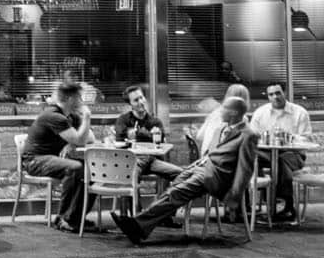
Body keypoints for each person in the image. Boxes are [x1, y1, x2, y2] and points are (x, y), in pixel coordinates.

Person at [113, 96, 260, 244]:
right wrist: (197, 165)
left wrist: (234, 196)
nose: (220, 111)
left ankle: (137, 225)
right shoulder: (221, 127)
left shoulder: (248, 135)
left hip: (216, 177)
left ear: (234, 112)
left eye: (224, 108)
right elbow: (210, 153)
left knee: (177, 192)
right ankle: (144, 225)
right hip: (201, 167)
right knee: (173, 187)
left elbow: (245, 168)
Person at [21, 78, 95, 233]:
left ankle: (75, 218)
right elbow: (82, 138)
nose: (82, 101)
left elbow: (90, 137)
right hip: (34, 160)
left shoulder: (70, 116)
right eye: (79, 97)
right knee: (75, 168)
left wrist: (72, 142)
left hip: (52, 159)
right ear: (70, 99)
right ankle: (63, 218)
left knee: (90, 171)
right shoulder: (54, 116)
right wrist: (87, 117)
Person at [249, 82, 316, 224]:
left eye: (278, 93)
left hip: (294, 154)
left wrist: (288, 137)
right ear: (267, 96)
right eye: (271, 94)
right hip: (266, 153)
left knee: (281, 160)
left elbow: (306, 137)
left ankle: (285, 204)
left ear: (284, 93)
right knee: (247, 156)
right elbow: (252, 135)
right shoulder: (260, 113)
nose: (275, 97)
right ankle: (244, 205)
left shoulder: (299, 112)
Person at [112, 83, 181, 182]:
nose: (141, 102)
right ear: (130, 104)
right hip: (129, 161)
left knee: (181, 174)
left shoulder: (155, 121)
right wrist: (149, 135)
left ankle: (169, 196)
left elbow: (161, 143)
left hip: (152, 162)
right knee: (131, 173)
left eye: (141, 97)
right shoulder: (123, 120)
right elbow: (119, 141)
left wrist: (138, 134)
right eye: (136, 100)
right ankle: (132, 193)